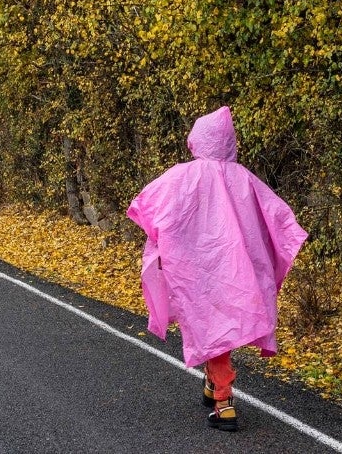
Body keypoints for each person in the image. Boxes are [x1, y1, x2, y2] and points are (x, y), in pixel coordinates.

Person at [126, 106, 308, 432]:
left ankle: (224, 403)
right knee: (215, 329)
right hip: (237, 273)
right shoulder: (245, 179)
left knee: (212, 329)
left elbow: (150, 205)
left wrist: (168, 242)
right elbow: (277, 218)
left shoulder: (184, 176)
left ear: (200, 139)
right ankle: (212, 386)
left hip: (197, 270)